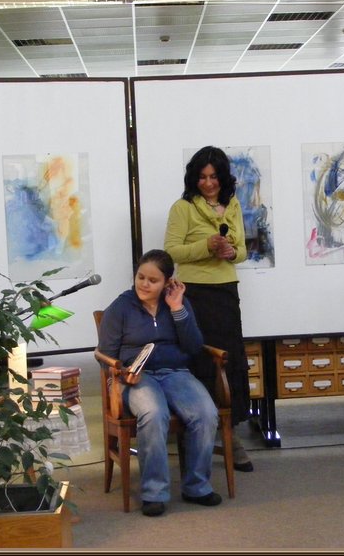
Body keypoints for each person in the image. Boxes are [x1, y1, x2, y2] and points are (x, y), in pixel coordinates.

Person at [98, 249, 222, 517]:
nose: (144, 284)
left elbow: (193, 346)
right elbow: (104, 355)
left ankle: (197, 487)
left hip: (175, 372)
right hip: (134, 377)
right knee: (154, 413)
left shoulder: (177, 303)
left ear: (167, 282)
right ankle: (154, 493)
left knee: (206, 413)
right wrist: (122, 371)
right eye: (140, 277)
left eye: (153, 280)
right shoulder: (120, 307)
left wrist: (177, 308)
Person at [164, 145, 254, 472]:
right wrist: (207, 246)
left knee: (229, 362)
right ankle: (198, 431)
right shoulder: (183, 207)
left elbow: (242, 250)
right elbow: (171, 252)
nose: (208, 183)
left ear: (223, 177)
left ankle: (231, 434)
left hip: (226, 292)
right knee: (200, 361)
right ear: (194, 178)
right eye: (202, 177)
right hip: (194, 293)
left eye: (214, 176)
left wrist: (231, 253)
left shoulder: (233, 204)